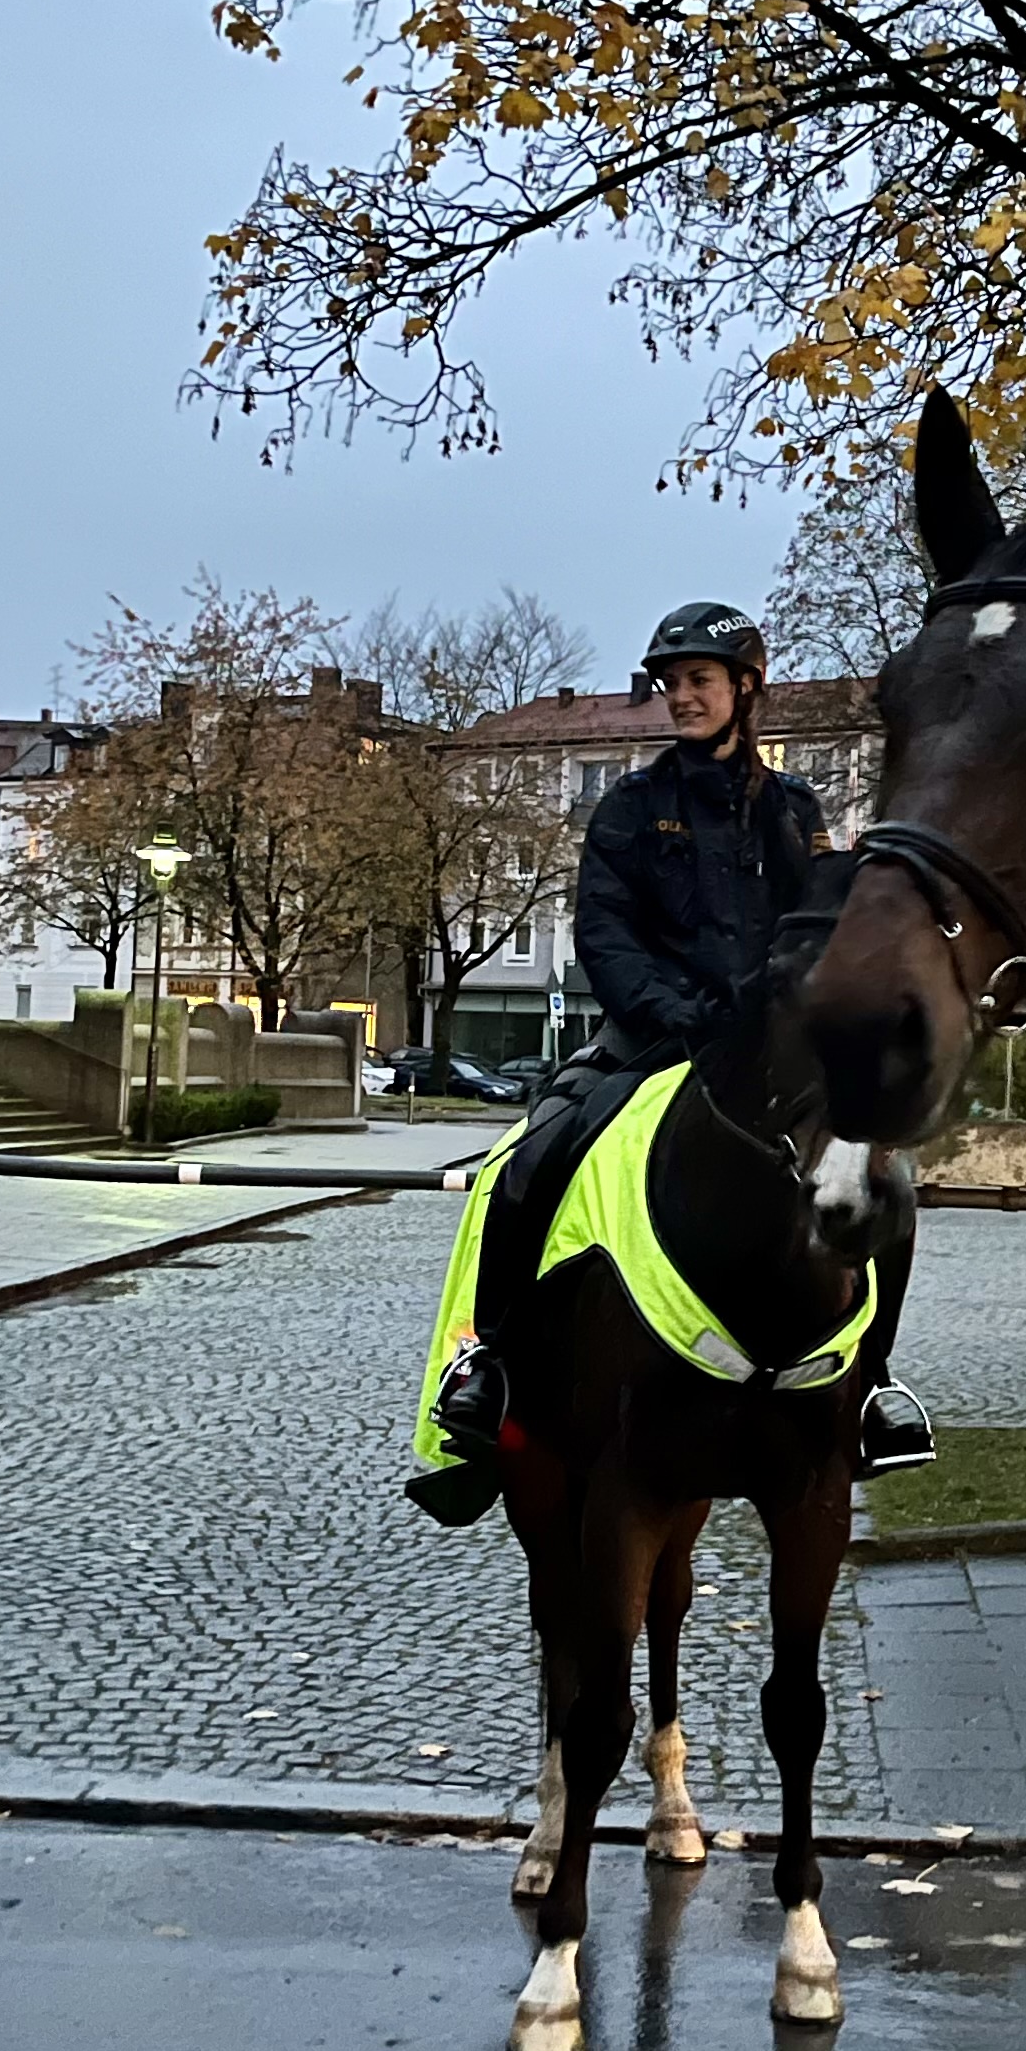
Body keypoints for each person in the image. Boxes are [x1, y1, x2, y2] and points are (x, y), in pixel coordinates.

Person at [421, 602, 934, 1506]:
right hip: (649, 1040)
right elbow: (604, 935)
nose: (682, 698)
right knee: (531, 1158)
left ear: (744, 688)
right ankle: (492, 1361)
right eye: (672, 683)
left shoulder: (793, 809)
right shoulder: (630, 806)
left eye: (700, 681)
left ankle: (875, 1384)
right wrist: (683, 1011)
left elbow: (814, 925)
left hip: (771, 1058)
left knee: (884, 1176)